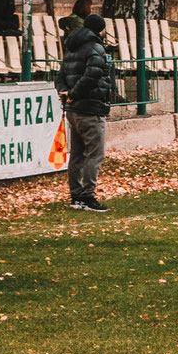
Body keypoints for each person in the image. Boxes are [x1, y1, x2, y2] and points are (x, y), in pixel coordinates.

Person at [59, 13, 115, 211]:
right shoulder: (95, 47)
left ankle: (76, 196)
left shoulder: (70, 47)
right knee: (95, 153)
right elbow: (93, 74)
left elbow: (61, 75)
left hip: (73, 109)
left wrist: (66, 93)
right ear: (99, 29)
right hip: (90, 107)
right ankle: (88, 195)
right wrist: (74, 93)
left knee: (77, 154)